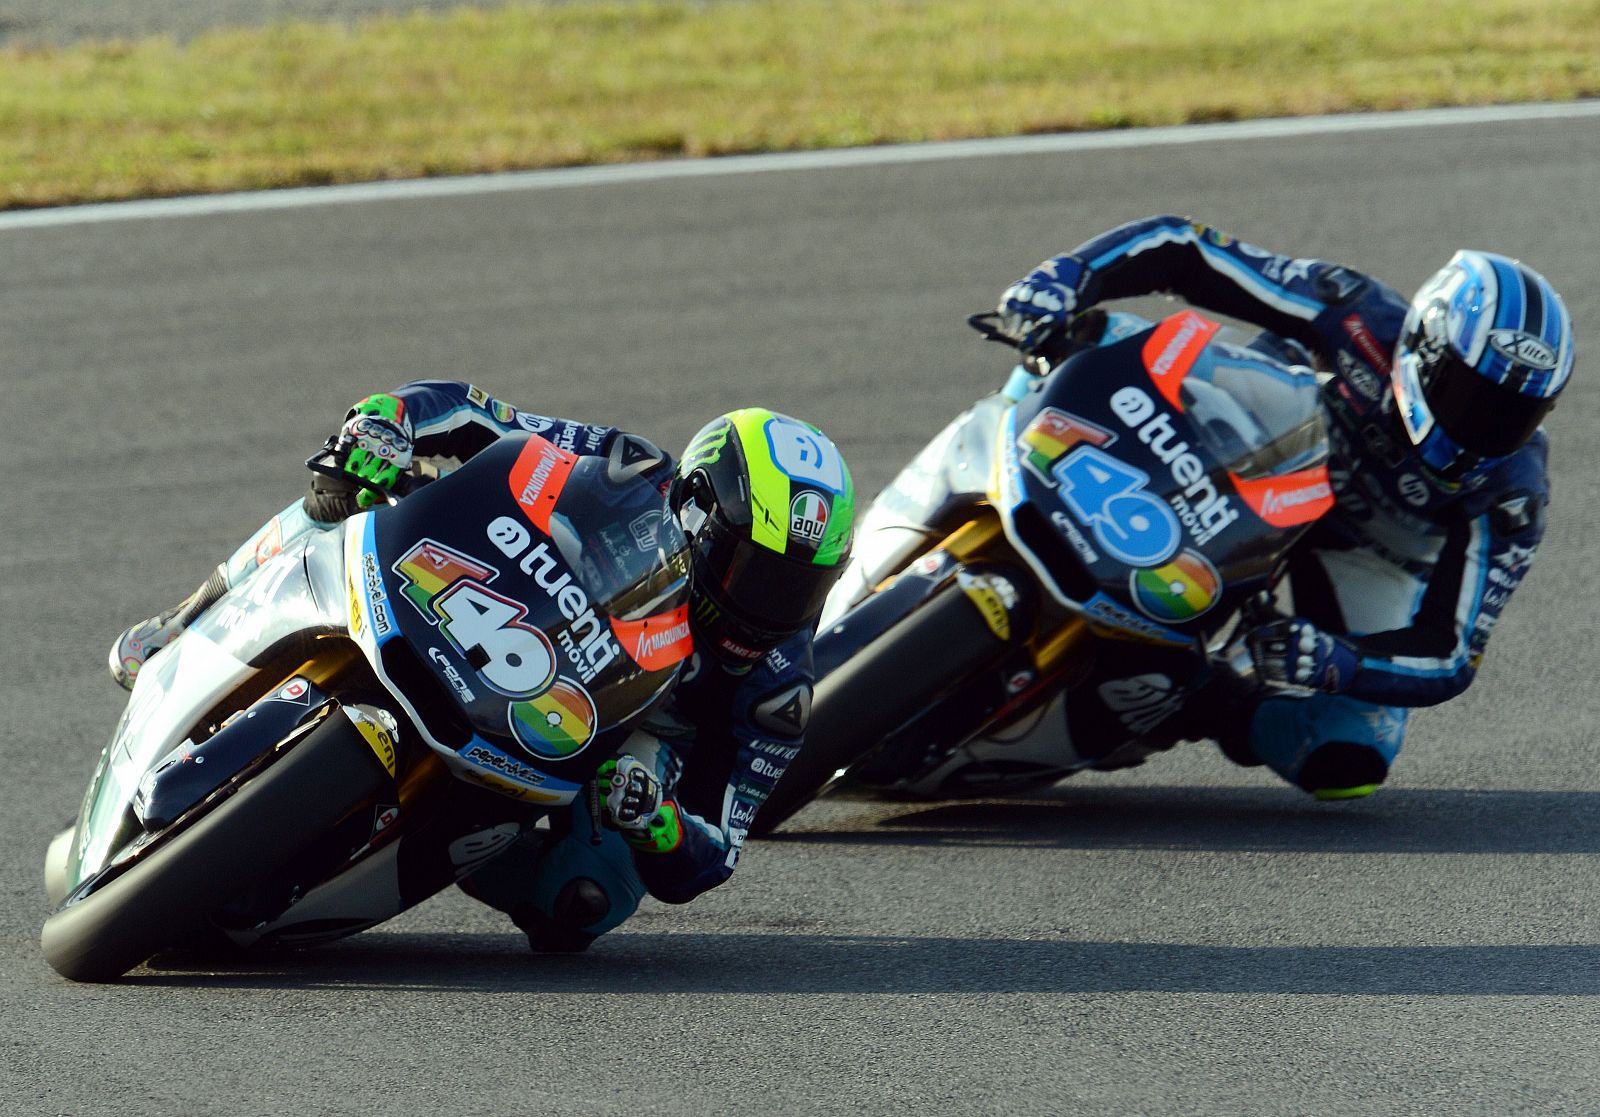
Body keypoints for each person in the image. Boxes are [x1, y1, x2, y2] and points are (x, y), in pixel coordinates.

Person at [108, 381, 856, 951]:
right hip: (493, 610)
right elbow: (477, 414)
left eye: (801, 586)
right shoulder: (629, 471)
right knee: (342, 488)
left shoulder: (777, 689)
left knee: (581, 902)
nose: (771, 609)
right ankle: (185, 616)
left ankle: (450, 839)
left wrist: (657, 822)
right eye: (757, 573)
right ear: (698, 513)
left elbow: (718, 849)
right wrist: (386, 425)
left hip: (600, 750)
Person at [995, 215, 1574, 799]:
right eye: (1472, 396)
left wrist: (1339, 661)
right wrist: (1070, 275)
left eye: (1512, 415)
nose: (1486, 427)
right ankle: (999, 433)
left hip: (1371, 554)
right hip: (1254, 436)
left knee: (1347, 760)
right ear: (1423, 347)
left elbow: (1450, 653)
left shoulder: (1512, 496)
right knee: (1094, 336)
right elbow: (1187, 250)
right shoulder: (1357, 315)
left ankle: (1207, 702)